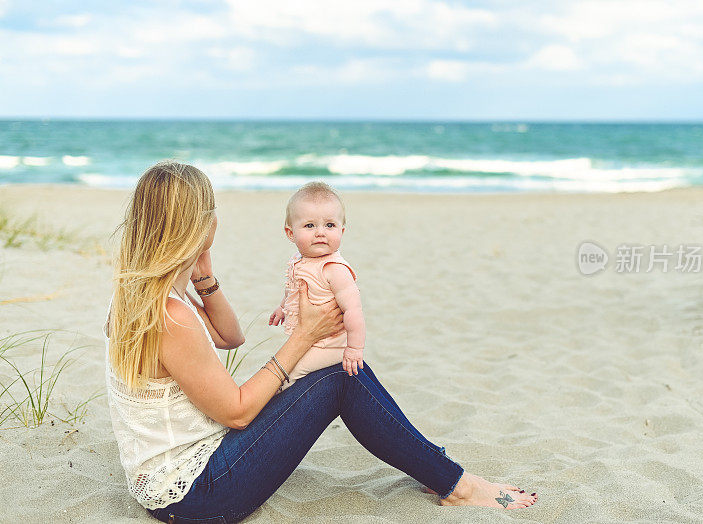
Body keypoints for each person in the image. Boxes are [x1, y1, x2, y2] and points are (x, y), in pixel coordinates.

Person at [104, 160, 538, 523]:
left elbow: (229, 337)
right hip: (197, 495)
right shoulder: (170, 316)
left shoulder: (150, 297)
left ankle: (431, 464)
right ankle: (454, 483)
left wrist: (202, 271)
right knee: (343, 378)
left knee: (344, 372)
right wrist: (305, 336)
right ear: (203, 224)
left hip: (186, 475)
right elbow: (236, 414)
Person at [268, 181, 364, 390]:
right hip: (310, 336)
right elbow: (293, 288)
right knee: (285, 365)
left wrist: (354, 348)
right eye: (310, 226)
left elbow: (354, 309)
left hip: (331, 344)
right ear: (290, 233)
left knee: (288, 373)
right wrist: (282, 307)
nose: (320, 232)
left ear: (342, 231)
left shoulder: (334, 269)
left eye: (330, 225)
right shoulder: (298, 259)